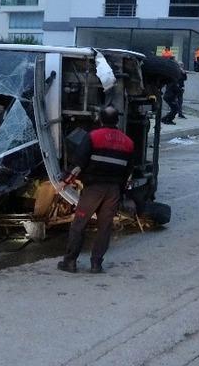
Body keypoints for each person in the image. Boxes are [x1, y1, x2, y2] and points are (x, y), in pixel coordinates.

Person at [58, 106, 134, 274]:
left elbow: (79, 164)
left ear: (100, 119)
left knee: (79, 224)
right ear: (117, 121)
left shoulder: (93, 137)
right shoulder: (128, 143)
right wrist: (120, 193)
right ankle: (96, 264)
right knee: (105, 227)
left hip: (93, 190)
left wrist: (65, 181)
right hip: (113, 191)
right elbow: (128, 173)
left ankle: (70, 262)